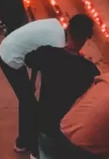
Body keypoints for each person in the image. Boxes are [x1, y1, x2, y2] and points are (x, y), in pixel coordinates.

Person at [0, 15, 95, 155]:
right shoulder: (58, 46)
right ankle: (25, 143)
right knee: (28, 102)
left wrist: (31, 82)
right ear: (86, 37)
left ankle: (25, 141)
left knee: (28, 99)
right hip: (10, 58)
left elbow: (35, 58)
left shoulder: (55, 25)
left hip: (10, 45)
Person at [25, 22, 102, 158]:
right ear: (86, 38)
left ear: (67, 31)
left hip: (45, 123)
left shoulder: (47, 54)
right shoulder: (88, 69)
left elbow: (28, 59)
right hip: (70, 129)